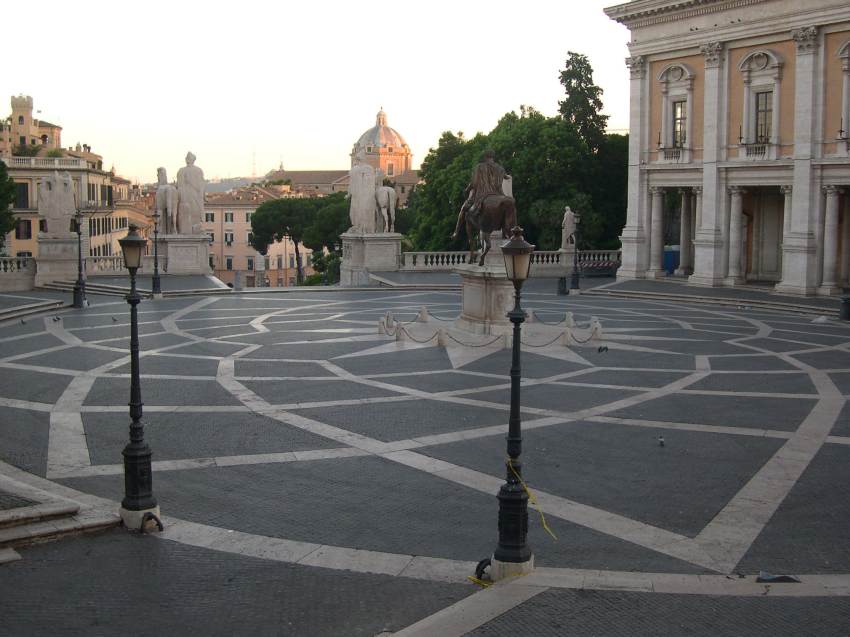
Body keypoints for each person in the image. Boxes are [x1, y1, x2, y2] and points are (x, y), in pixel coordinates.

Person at [452, 150, 509, 239]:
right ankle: (505, 232)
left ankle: (456, 232)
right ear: (493, 157)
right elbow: (506, 177)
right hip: (499, 194)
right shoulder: (500, 168)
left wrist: (467, 189)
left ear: (485, 157)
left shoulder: (479, 167)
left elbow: (473, 182)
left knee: (463, 209)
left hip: (482, 194)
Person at [176, 152, 204, 234]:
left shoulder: (197, 170)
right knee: (189, 212)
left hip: (191, 195)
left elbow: (201, 185)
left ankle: (192, 228)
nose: (187, 159)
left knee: (194, 212)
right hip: (187, 195)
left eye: (189, 157)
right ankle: (188, 229)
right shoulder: (182, 170)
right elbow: (179, 185)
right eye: (187, 157)